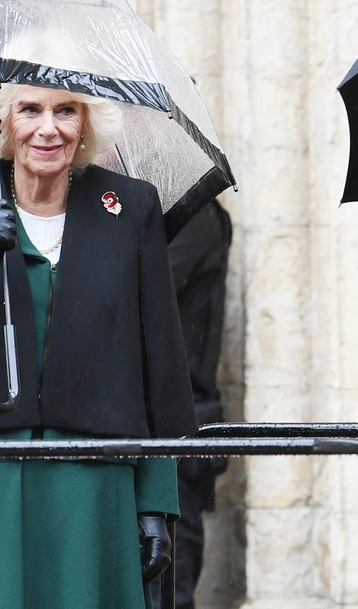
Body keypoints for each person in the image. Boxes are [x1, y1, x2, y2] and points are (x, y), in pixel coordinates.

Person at [0, 84, 197, 609]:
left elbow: (156, 360)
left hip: (91, 489)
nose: (47, 128)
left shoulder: (131, 204)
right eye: (29, 110)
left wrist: (156, 503)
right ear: (3, 122)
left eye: (65, 111)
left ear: (86, 125)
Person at [158, 198, 232, 608]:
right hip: (139, 426)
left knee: (168, 588)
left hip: (179, 426)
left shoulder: (193, 213)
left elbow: (139, 295)